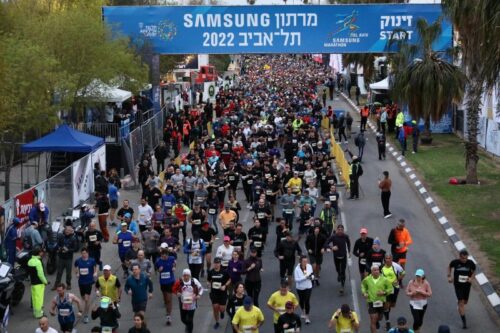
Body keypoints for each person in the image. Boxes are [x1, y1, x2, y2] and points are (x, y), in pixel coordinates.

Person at [448, 249, 476, 329]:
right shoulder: (455, 262)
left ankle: (460, 305)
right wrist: (449, 276)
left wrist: (471, 278)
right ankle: (464, 323)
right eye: (463, 258)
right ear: (459, 257)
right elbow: (449, 266)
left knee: (465, 302)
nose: (464, 260)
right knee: (461, 302)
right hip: (458, 285)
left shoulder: (470, 263)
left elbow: (474, 271)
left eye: (466, 258)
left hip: (467, 286)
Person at [361, 265, 393, 333]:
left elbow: (390, 289)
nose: (376, 271)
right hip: (371, 302)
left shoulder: (384, 279)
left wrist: (384, 292)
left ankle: (377, 321)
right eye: (374, 270)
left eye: (377, 270)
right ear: (371, 272)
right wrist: (364, 293)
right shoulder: (367, 279)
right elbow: (363, 286)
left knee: (380, 318)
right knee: (373, 320)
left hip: (381, 302)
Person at [172, 268, 204, 333]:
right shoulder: (179, 282)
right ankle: (188, 326)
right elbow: (173, 289)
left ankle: (189, 330)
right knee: (183, 319)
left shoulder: (194, 281)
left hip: (192, 303)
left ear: (190, 276)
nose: (186, 277)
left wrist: (199, 295)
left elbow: (201, 288)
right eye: (184, 275)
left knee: (190, 319)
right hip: (183, 303)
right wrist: (176, 293)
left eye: (187, 275)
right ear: (182, 276)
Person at [323, 224, 351, 294]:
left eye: (342, 230)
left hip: (343, 256)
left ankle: (342, 286)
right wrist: (331, 248)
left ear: (343, 230)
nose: (340, 231)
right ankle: (339, 274)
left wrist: (349, 252)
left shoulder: (345, 236)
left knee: (343, 271)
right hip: (336, 256)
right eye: (339, 230)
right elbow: (325, 244)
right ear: (337, 230)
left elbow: (348, 243)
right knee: (338, 269)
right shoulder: (333, 237)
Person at [381, 253, 406, 331]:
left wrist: (398, 280)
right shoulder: (381, 267)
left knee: (392, 305)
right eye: (386, 258)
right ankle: (387, 321)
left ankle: (386, 310)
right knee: (386, 305)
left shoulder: (396, 266)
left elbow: (403, 273)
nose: (388, 260)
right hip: (386, 289)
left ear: (391, 259)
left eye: (389, 258)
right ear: (384, 259)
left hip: (395, 288)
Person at [74, 247, 97, 323]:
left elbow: (95, 267)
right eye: (82, 253)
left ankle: (86, 315)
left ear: (87, 253)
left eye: (85, 253)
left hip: (89, 282)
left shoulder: (92, 260)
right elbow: (75, 267)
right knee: (83, 298)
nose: (84, 255)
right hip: (81, 282)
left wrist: (95, 272)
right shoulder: (78, 261)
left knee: (87, 299)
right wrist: (77, 273)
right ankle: (85, 307)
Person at [207, 257, 231, 329]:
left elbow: (229, 280)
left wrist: (225, 286)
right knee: (215, 308)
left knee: (222, 308)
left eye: (217, 263)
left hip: (222, 293)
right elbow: (208, 280)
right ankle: (217, 322)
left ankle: (222, 312)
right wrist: (208, 283)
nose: (216, 265)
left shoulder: (224, 272)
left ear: (220, 264)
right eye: (215, 263)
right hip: (214, 293)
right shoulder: (211, 272)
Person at [53, 226, 79, 290]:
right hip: (61, 257)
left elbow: (75, 249)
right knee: (59, 272)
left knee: (68, 273)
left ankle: (68, 284)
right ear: (64, 230)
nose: (67, 231)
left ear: (71, 231)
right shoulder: (61, 236)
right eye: (66, 230)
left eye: (68, 230)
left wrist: (68, 250)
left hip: (68, 258)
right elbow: (58, 244)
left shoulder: (73, 238)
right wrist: (59, 248)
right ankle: (56, 285)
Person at [155, 248, 176, 325]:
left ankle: (168, 316)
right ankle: (167, 306)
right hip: (163, 282)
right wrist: (158, 270)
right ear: (161, 255)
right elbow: (156, 269)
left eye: (166, 256)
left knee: (169, 299)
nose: (164, 258)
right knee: (165, 298)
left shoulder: (171, 258)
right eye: (163, 256)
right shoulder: (158, 261)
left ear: (168, 255)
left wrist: (174, 267)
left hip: (170, 281)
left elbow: (174, 263)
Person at [28, 247, 49, 318]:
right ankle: (39, 314)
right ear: (38, 253)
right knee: (39, 299)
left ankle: (35, 312)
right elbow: (40, 274)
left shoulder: (30, 261)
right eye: (41, 252)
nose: (42, 253)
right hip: (39, 283)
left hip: (33, 283)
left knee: (34, 299)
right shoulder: (38, 262)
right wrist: (45, 281)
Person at [293, 256, 313, 324]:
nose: (305, 263)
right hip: (300, 288)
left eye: (306, 261)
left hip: (308, 286)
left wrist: (311, 277)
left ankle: (307, 317)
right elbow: (296, 280)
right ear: (300, 262)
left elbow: (311, 274)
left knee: (307, 301)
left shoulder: (309, 266)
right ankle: (303, 310)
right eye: (304, 261)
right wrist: (305, 277)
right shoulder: (297, 269)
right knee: (301, 300)